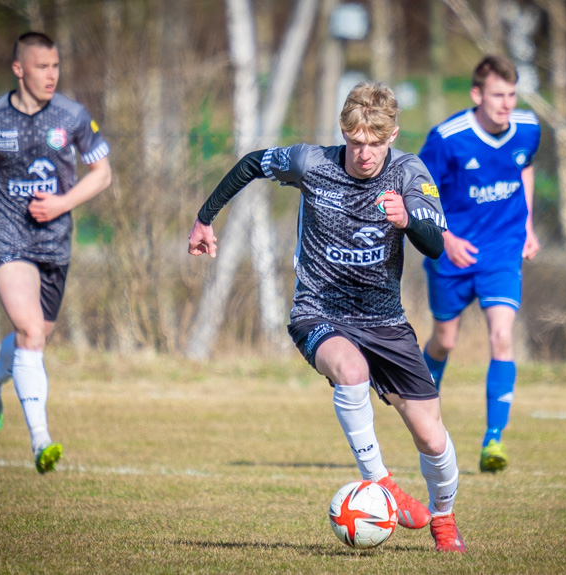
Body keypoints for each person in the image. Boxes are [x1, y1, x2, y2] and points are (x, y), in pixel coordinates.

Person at [188, 81, 466, 553]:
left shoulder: (410, 174)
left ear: (392, 134)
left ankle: (444, 520)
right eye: (355, 143)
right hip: (318, 310)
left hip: (386, 321)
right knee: (350, 370)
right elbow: (254, 162)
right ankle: (382, 483)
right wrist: (204, 218)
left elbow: (436, 246)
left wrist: (407, 221)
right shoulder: (312, 163)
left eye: (374, 144)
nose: (363, 154)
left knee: (432, 439)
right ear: (344, 133)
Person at [0, 32, 112, 474]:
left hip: (55, 244)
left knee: (32, 339)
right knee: (30, 331)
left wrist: (62, 202)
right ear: (19, 69)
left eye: (55, 66)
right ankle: (41, 441)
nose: (51, 75)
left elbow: (102, 173)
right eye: (41, 67)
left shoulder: (72, 115)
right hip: (6, 239)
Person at [418, 55, 540, 474]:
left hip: (502, 250)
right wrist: (445, 238)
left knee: (502, 338)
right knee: (445, 341)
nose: (506, 104)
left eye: (511, 94)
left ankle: (493, 440)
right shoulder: (447, 138)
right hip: (453, 254)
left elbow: (525, 168)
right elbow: (420, 192)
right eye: (497, 95)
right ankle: (419, 408)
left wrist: (528, 225)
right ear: (477, 95)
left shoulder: (528, 128)